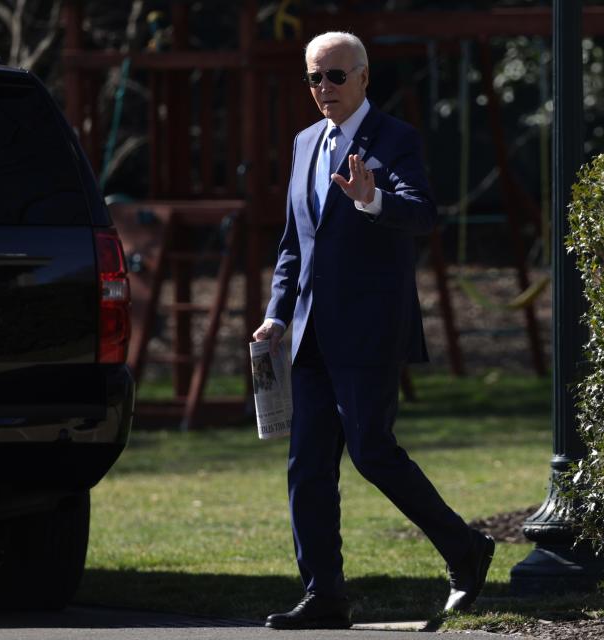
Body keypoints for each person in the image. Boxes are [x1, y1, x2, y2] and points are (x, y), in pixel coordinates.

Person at [251, 31, 495, 631]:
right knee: (306, 467)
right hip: (308, 336)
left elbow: (422, 214)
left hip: (368, 331)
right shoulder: (305, 143)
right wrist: (276, 315)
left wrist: (371, 198)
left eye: (336, 76)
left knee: (372, 452)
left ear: (364, 77)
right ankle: (325, 595)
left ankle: (465, 550)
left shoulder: (396, 138)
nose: (324, 89)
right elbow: (293, 245)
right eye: (314, 78)